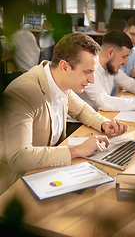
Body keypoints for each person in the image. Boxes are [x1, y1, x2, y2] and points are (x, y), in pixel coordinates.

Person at [0, 32, 128, 195]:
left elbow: (81, 109)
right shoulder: (23, 93)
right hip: (16, 182)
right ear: (64, 67)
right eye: (87, 72)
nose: (92, 80)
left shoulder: (59, 81)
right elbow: (19, 157)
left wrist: (104, 123)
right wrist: (77, 150)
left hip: (48, 168)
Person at [81, 30, 135, 112]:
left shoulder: (110, 66)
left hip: (97, 116)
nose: (125, 62)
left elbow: (130, 84)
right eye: (123, 57)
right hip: (78, 123)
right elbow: (104, 102)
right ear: (111, 52)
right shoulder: (90, 69)